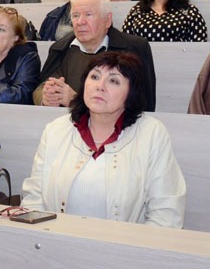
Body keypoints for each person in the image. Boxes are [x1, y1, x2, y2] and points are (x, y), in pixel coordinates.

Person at [22, 52, 185, 227]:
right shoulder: (56, 130)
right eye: (94, 77)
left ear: (131, 92)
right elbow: (34, 199)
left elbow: (166, 215)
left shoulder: (152, 134)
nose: (100, 86)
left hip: (125, 243)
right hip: (55, 239)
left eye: (113, 81)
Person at [34, 0, 156, 112]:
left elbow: (142, 104)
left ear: (107, 20)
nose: (80, 22)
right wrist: (46, 97)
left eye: (88, 14)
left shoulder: (134, 48)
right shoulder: (61, 48)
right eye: (75, 15)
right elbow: (41, 87)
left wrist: (75, 101)